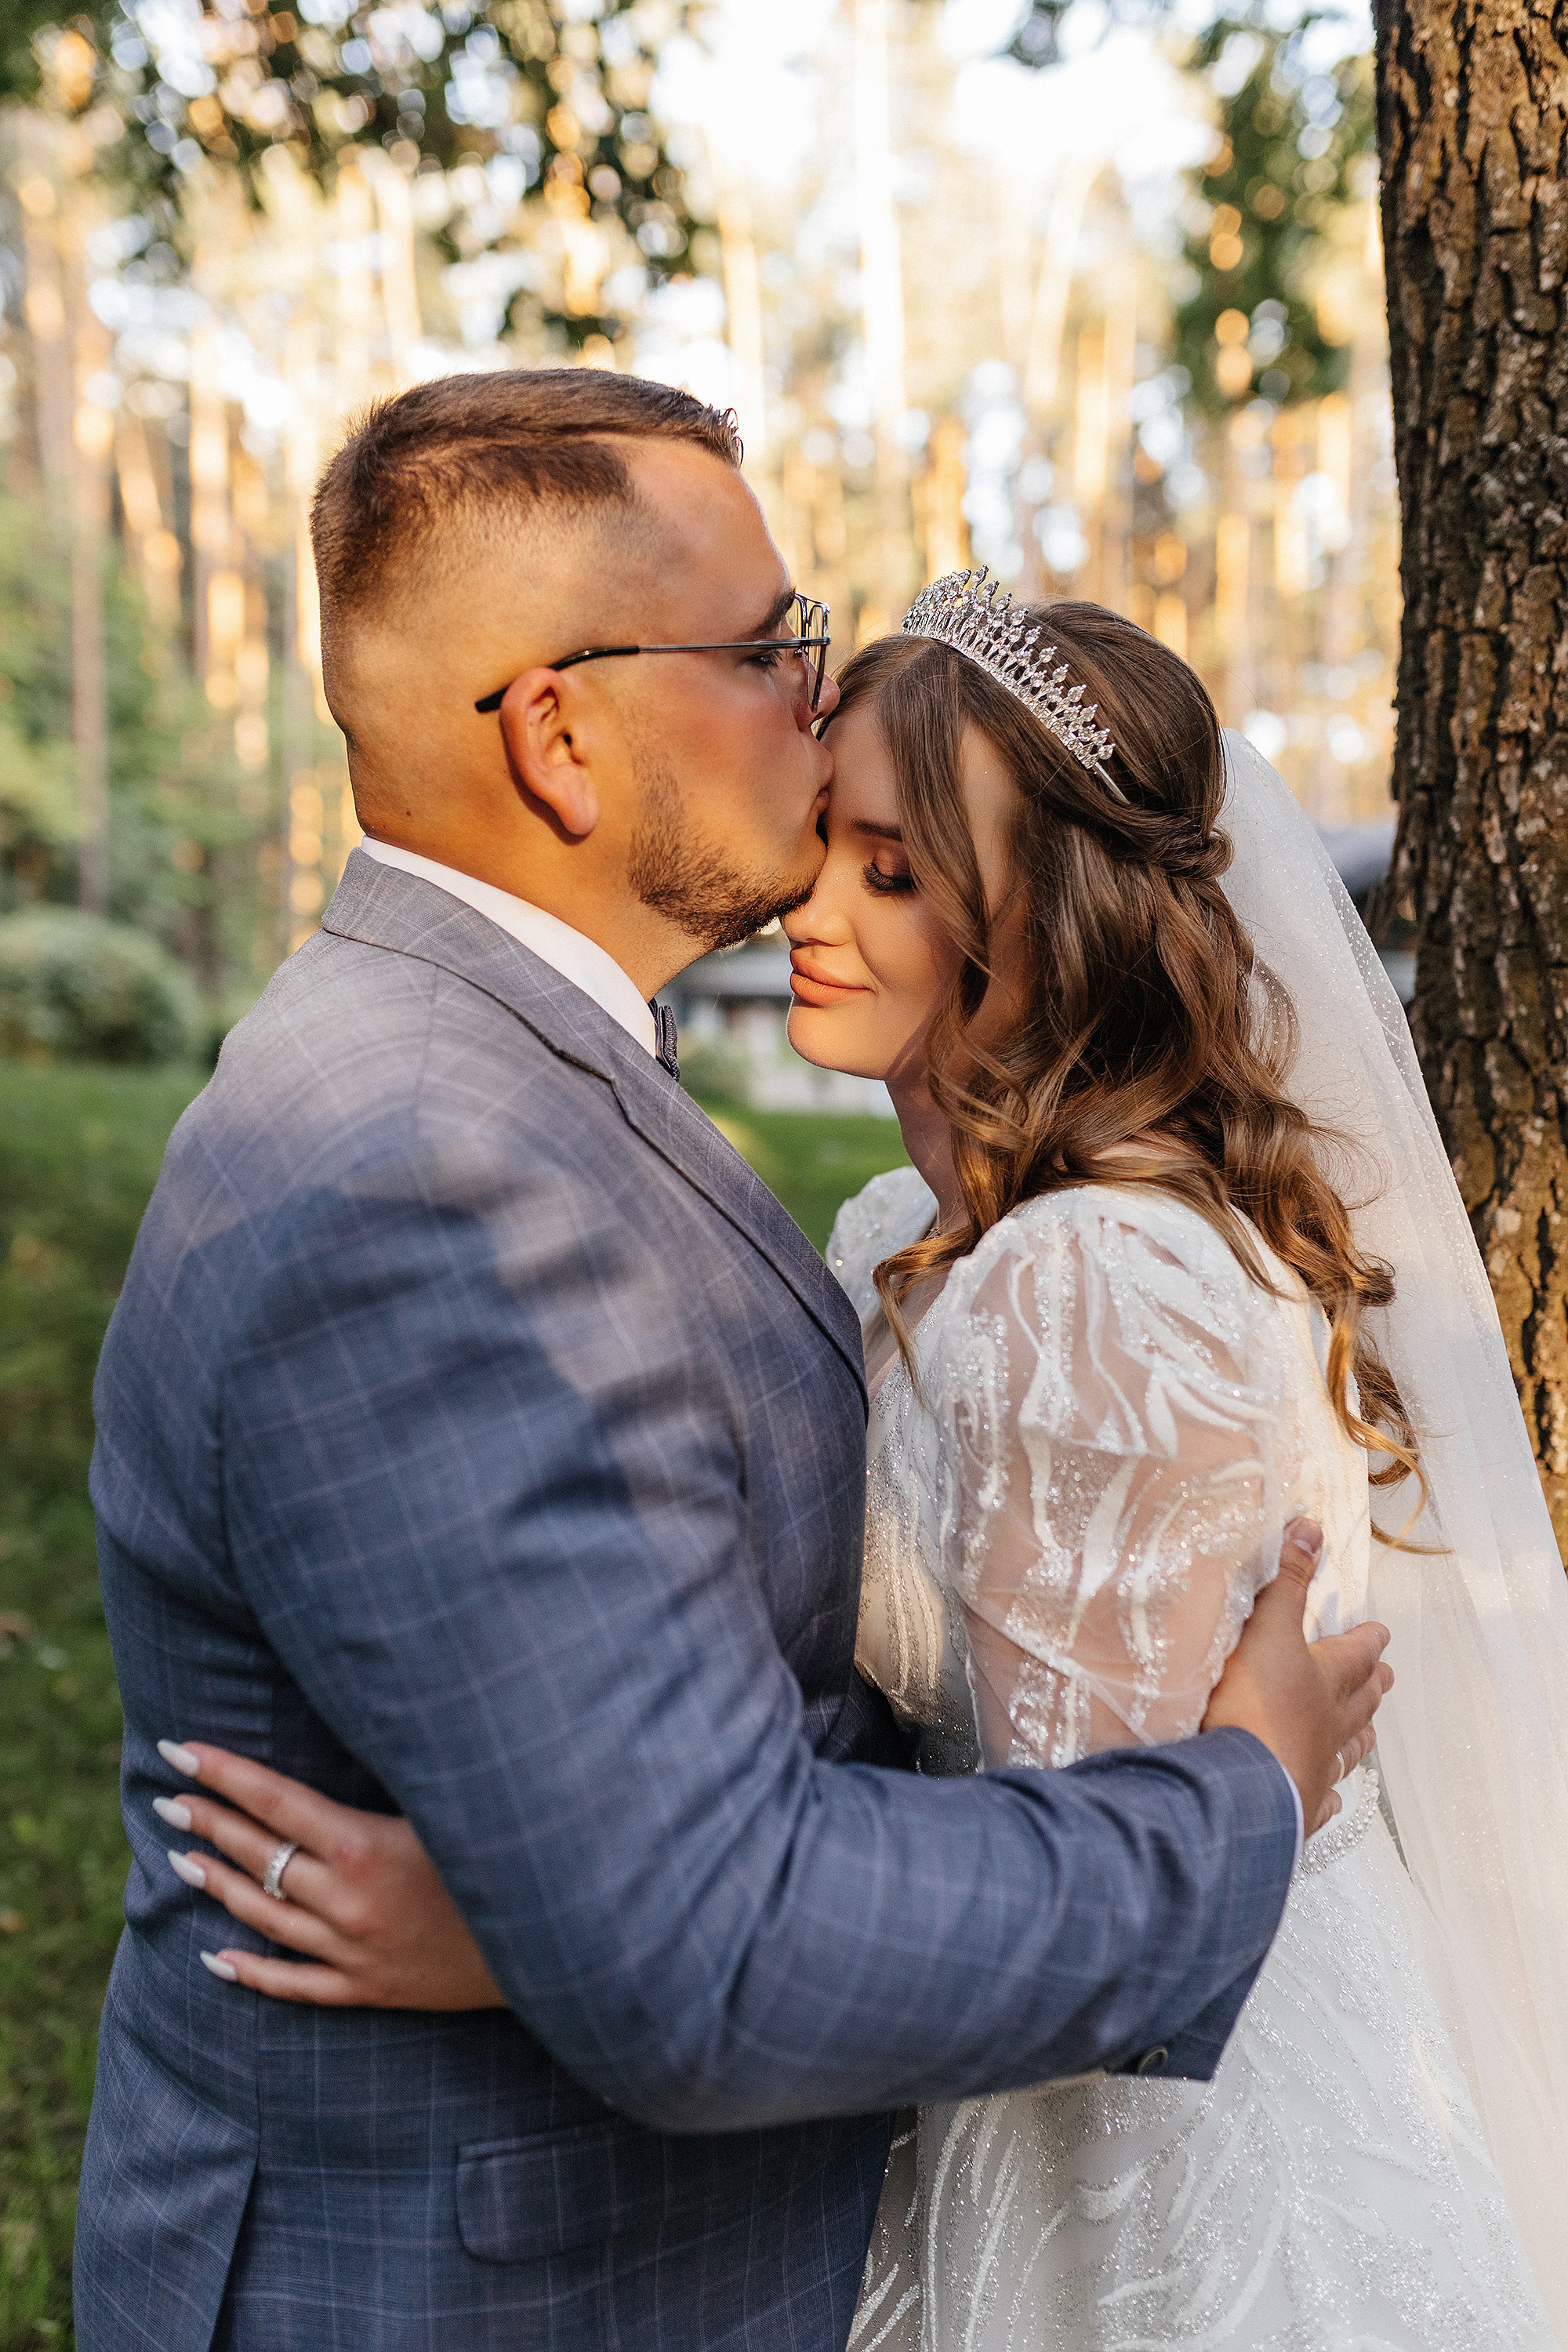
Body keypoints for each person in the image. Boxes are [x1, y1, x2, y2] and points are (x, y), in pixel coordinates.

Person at [75, 376, 1387, 2352]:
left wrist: (535, 1918)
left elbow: (727, 1760)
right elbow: (708, 1958)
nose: (816, 691)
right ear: (561, 737)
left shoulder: (494, 1079)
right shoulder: (430, 1180)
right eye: (773, 646)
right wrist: (1248, 1799)